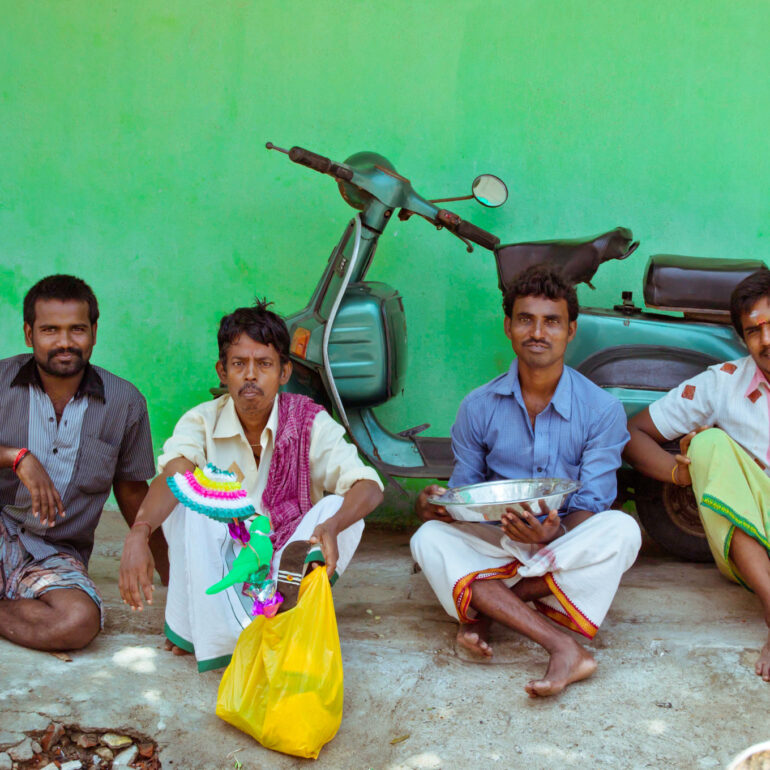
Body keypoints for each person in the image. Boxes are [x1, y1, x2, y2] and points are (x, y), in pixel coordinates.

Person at [412, 266, 641, 697]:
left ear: (571, 330)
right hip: (497, 542)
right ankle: (560, 644)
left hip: (563, 543)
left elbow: (593, 503)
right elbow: (467, 498)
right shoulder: (477, 406)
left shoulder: (602, 410)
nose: (538, 331)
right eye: (525, 319)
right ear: (508, 326)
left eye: (551, 321)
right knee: (428, 537)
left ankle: (489, 605)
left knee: (622, 531)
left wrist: (554, 533)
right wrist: (437, 505)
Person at [119, 300, 384, 672]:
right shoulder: (201, 421)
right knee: (188, 497)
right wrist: (139, 532)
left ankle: (277, 611)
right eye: (239, 364)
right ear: (222, 371)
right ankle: (229, 637)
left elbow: (368, 486)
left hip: (284, 560)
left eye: (264, 364)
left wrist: (332, 526)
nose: (250, 376)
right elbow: (173, 478)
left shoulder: (310, 422)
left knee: (347, 513)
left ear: (284, 371)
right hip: (220, 565)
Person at [0, 274, 166, 652]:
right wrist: (16, 457)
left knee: (77, 622)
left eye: (76, 329)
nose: (64, 342)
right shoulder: (0, 381)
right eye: (50, 330)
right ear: (29, 334)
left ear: (93, 331)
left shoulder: (125, 403)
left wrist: (173, 577)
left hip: (56, 552)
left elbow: (131, 490)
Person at [624, 267, 770, 682]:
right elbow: (632, 432)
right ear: (743, 339)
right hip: (753, 537)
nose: (766, 340)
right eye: (754, 331)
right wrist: (677, 473)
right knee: (708, 443)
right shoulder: (722, 384)